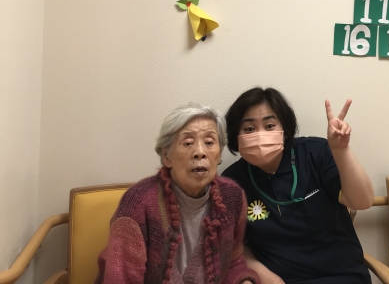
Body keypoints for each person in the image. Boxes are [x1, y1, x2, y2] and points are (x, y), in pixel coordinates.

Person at [222, 87, 374, 284]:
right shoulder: (232, 181)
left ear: (285, 130)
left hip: (344, 276)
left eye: (269, 126)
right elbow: (236, 245)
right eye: (249, 129)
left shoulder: (316, 153)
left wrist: (341, 150)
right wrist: (266, 276)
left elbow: (362, 201)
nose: (260, 135)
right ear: (236, 136)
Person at [95, 103, 259, 284]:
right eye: (188, 143)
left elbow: (233, 262)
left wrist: (244, 281)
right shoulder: (138, 205)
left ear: (219, 154)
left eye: (209, 142)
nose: (200, 152)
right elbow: (120, 278)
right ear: (167, 156)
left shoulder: (232, 197)